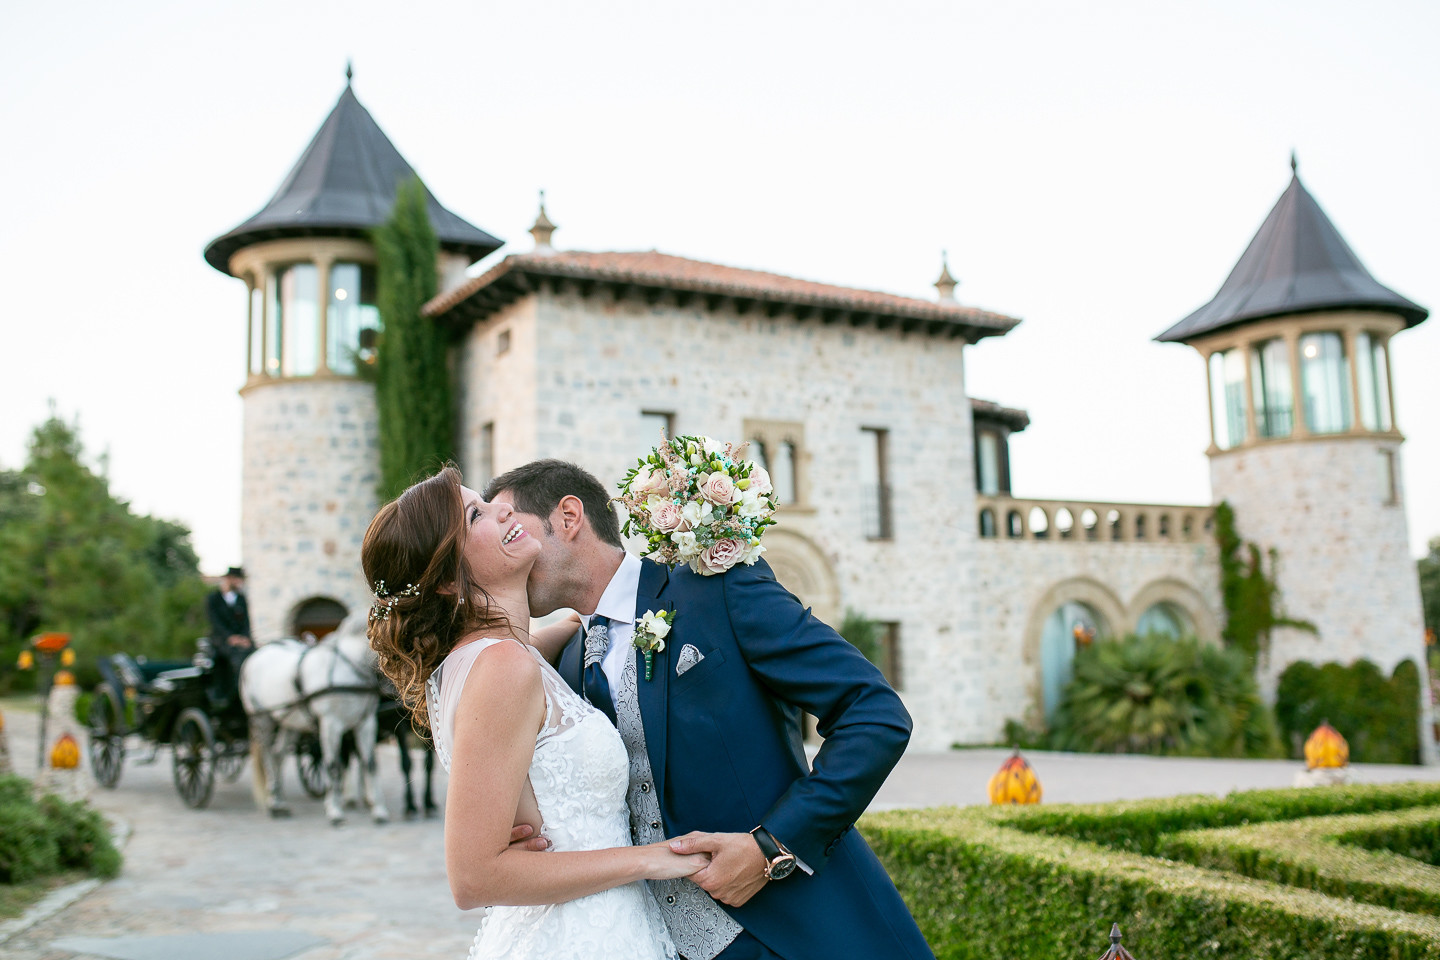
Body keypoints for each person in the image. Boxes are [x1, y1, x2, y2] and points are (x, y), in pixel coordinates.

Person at [485, 460, 934, 960]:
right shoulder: (567, 662)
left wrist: (772, 847)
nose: (503, 547)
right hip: (654, 943)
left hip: (798, 932)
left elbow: (873, 712)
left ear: (568, 517)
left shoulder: (716, 589)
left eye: (509, 523)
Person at [361, 467, 708, 960]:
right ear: (445, 579)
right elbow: (473, 878)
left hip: (595, 923)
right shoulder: (502, 667)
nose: (503, 507)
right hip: (577, 936)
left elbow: (529, 655)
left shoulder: (494, 656)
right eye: (476, 514)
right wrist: (651, 860)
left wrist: (586, 612)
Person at [205, 566, 253, 707]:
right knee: (235, 657)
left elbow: (246, 622)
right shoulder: (213, 599)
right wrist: (230, 637)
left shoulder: (241, 599)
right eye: (237, 579)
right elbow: (215, 622)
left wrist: (245, 638)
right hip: (221, 640)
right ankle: (234, 695)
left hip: (241, 640)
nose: (240, 582)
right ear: (229, 579)